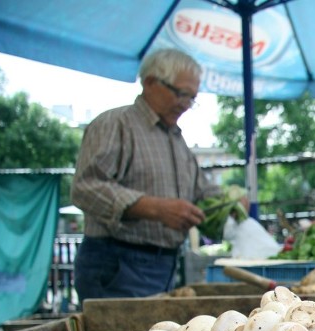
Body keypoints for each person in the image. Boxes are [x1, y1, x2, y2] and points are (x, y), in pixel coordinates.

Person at [71, 48, 220, 301]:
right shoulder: (115, 124)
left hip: (165, 264)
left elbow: (201, 190)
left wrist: (231, 200)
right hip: (117, 263)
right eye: (181, 94)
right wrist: (155, 208)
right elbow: (86, 188)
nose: (185, 104)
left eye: (192, 98)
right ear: (150, 82)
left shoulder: (176, 137)